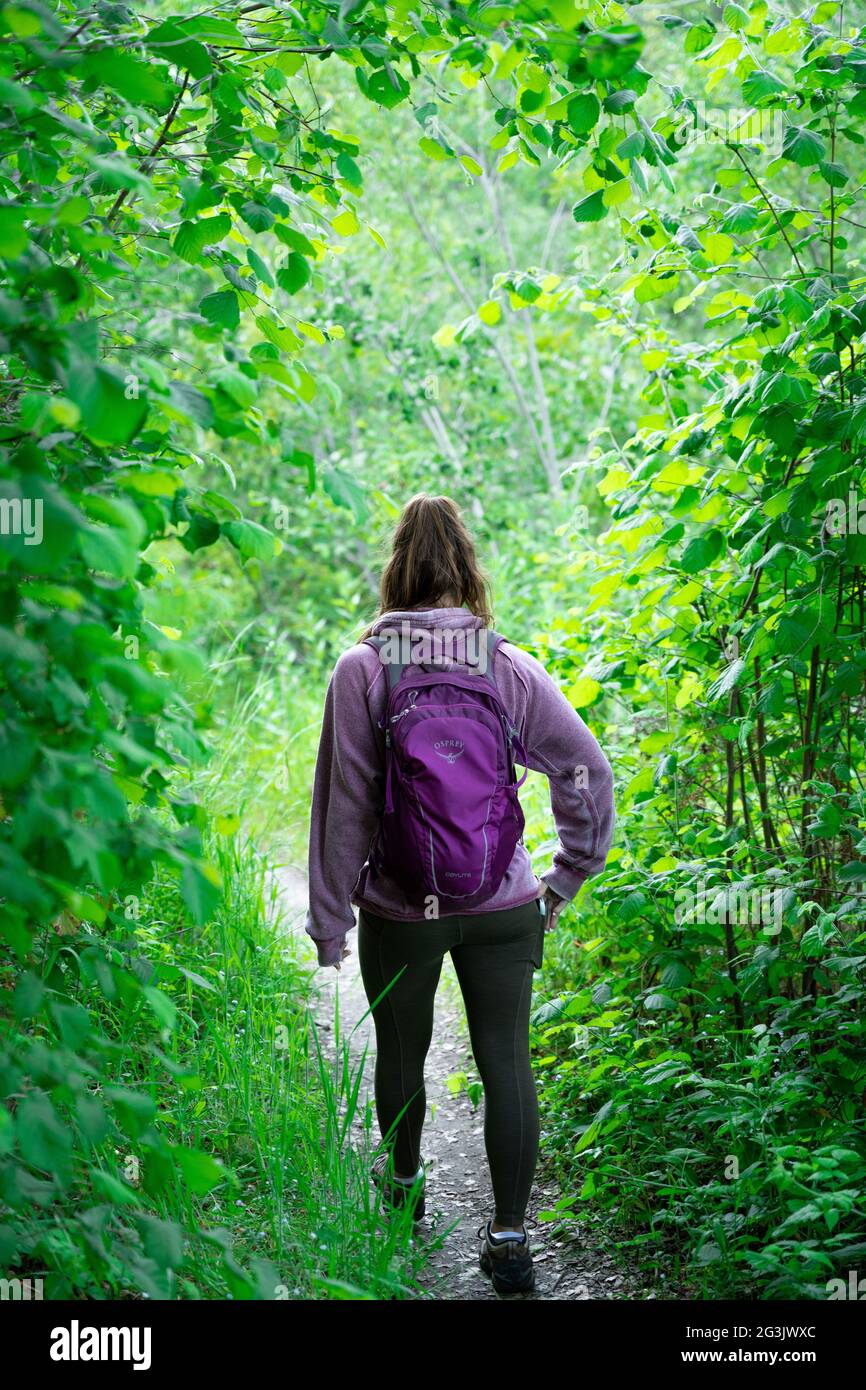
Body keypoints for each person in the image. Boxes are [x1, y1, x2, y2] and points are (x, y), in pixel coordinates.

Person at [304, 493, 615, 1294]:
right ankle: (510, 1237)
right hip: (504, 904)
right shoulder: (509, 666)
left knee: (401, 1053)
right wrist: (566, 874)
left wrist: (332, 921)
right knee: (507, 1060)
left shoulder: (362, 668)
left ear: (397, 569)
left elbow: (344, 809)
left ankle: (404, 1192)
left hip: (403, 911)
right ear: (468, 571)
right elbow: (585, 769)